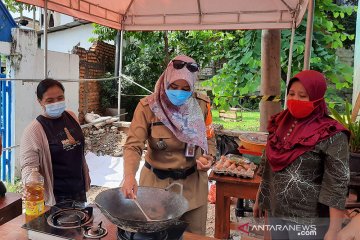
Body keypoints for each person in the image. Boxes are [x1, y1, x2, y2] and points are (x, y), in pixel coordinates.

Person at [121, 55, 216, 235]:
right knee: (155, 235)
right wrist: (129, 175)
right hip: (156, 188)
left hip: (193, 188)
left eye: (186, 88)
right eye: (174, 87)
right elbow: (133, 145)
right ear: (165, 81)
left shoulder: (201, 106)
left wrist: (208, 157)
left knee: (193, 236)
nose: (179, 92)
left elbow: (209, 137)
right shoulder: (148, 107)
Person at [253, 70, 350, 240]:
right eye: (291, 94)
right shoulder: (279, 124)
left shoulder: (332, 134)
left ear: (316, 98)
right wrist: (260, 199)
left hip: (309, 220)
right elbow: (268, 165)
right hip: (277, 212)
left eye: (303, 96)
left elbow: (336, 184)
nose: (295, 99)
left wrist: (334, 230)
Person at [20, 79, 90, 205]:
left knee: (80, 222)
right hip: (57, 195)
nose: (56, 103)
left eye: (60, 98)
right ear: (40, 101)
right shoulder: (33, 130)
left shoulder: (72, 116)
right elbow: (28, 166)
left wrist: (86, 174)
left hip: (78, 188)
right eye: (50, 100)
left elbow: (79, 150)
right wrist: (30, 182)